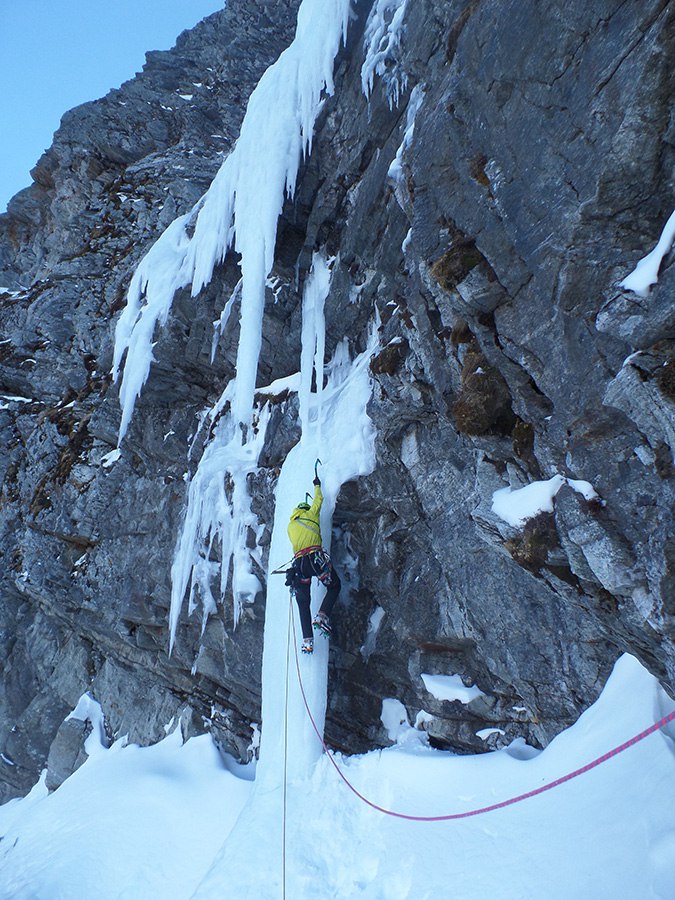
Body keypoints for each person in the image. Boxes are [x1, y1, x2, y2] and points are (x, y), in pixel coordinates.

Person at [286, 473, 341, 654]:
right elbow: (319, 499)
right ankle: (322, 615)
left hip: (299, 566)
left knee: (303, 603)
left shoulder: (290, 526)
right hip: (315, 560)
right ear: (305, 508)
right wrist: (317, 485)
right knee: (334, 585)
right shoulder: (311, 513)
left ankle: (307, 641)